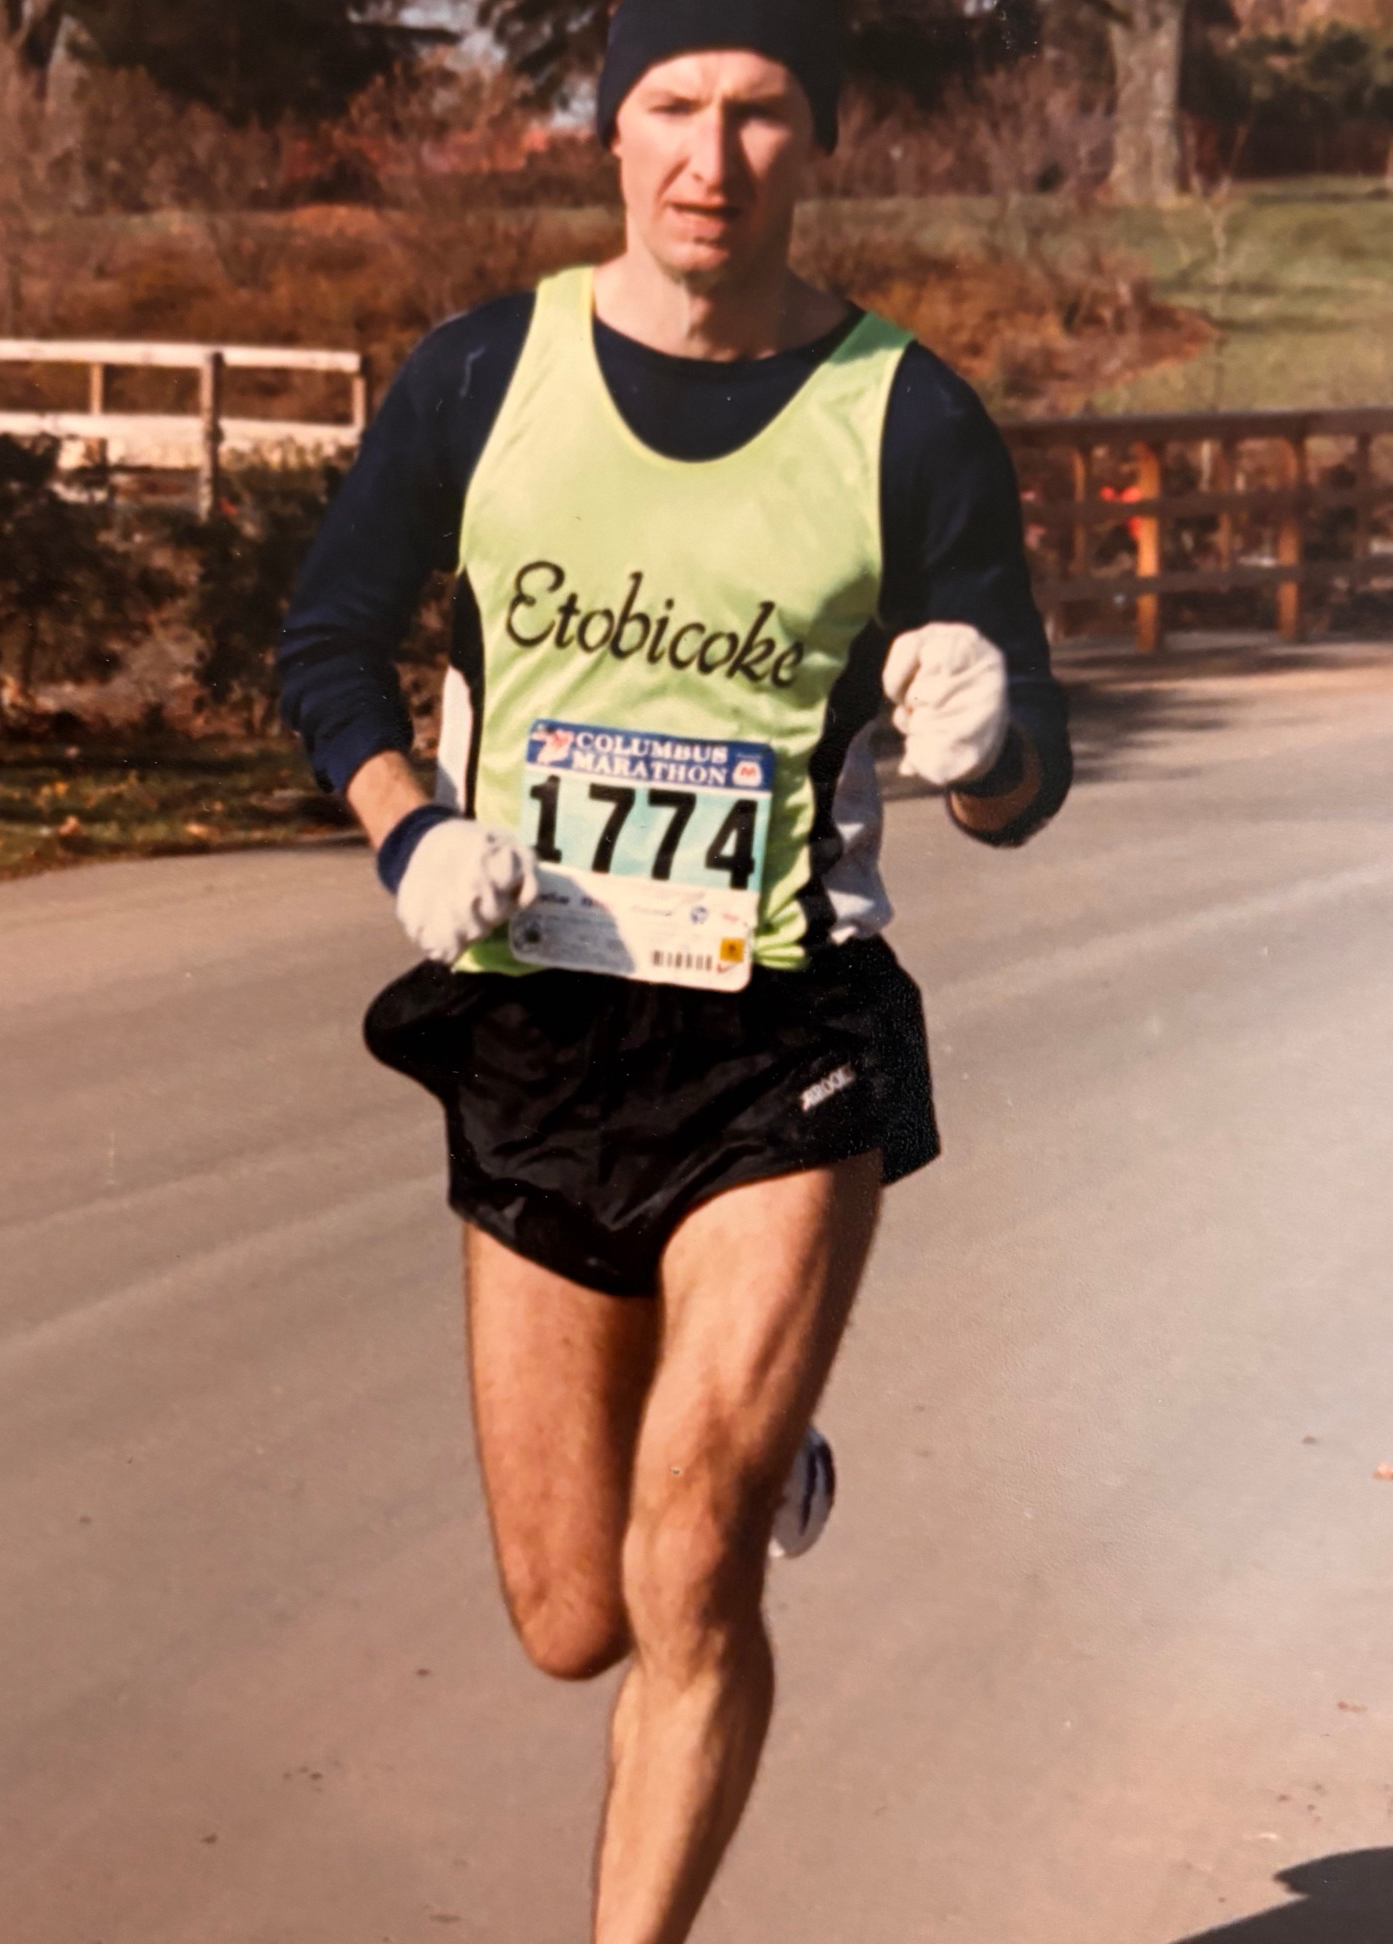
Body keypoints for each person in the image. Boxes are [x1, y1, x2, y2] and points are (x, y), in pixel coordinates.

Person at [277, 1, 1072, 1936]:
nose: (713, 158)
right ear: (609, 133)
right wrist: (409, 822)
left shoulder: (907, 414)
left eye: (761, 112)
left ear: (822, 140)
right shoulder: (486, 374)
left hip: (782, 1032)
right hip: (541, 1017)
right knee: (573, 1612)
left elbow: (1020, 773)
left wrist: (989, 749)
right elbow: (324, 645)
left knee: (693, 1556)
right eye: (674, 108)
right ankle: (761, 1425)